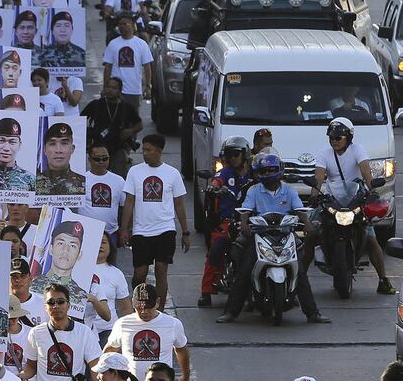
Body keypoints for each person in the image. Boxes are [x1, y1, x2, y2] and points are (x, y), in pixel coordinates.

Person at [216, 152, 331, 324]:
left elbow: (300, 210)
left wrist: (307, 224)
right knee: (245, 271)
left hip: (285, 234)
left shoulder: (289, 191)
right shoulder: (254, 191)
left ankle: (313, 313)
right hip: (259, 235)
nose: (269, 174)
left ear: (279, 171)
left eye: (272, 170)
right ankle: (231, 312)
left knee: (299, 271)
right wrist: (245, 225)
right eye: (265, 171)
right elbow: (245, 210)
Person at [309, 117, 397, 294]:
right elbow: (319, 177)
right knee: (311, 235)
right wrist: (314, 193)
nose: (334, 141)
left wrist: (372, 188)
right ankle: (297, 284)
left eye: (338, 138)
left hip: (355, 201)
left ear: (348, 137)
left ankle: (383, 280)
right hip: (331, 202)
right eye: (331, 138)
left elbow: (366, 174)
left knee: (371, 239)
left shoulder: (358, 150)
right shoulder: (324, 154)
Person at [119, 134, 188, 309]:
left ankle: (160, 310)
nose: (144, 153)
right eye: (143, 150)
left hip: (165, 229)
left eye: (148, 150)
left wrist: (185, 232)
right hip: (141, 231)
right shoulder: (134, 172)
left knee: (161, 270)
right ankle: (140, 307)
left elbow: (179, 205)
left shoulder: (172, 174)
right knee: (139, 274)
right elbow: (129, 202)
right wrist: (124, 229)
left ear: (159, 151)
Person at [197, 137, 252, 307]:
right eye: (230, 155)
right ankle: (206, 291)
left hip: (252, 221)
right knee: (216, 249)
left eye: (236, 154)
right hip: (227, 222)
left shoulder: (254, 173)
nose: (233, 158)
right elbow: (216, 180)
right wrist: (214, 187)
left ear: (244, 155)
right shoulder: (226, 172)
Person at [104, 284, 189, 381]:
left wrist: (186, 375)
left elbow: (181, 349)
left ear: (157, 302)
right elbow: (110, 349)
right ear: (133, 302)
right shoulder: (122, 324)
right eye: (139, 307)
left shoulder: (173, 324)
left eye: (148, 307)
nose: (144, 312)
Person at [18, 284, 102, 381]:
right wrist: (17, 377)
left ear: (68, 305)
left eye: (60, 302)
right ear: (45, 307)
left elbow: (95, 366)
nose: (56, 306)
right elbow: (31, 366)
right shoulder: (36, 333)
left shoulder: (84, 332)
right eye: (51, 302)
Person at [82, 78, 142, 178]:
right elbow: (80, 120)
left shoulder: (126, 107)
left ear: (119, 90)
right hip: (99, 147)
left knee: (119, 177)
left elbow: (139, 125)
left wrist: (130, 131)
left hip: (119, 147)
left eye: (114, 88)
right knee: (98, 177)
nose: (110, 90)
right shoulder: (96, 104)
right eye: (108, 87)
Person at [87, 233, 130, 348]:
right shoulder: (77, 269)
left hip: (109, 330)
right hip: (83, 329)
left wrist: (127, 333)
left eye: (104, 242)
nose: (100, 246)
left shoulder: (116, 273)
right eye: (98, 242)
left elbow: (125, 307)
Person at [103, 14, 152, 113]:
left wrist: (148, 86)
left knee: (132, 119)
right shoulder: (113, 44)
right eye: (120, 24)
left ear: (133, 25)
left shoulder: (142, 44)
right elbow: (107, 67)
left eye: (125, 24)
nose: (122, 26)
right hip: (116, 91)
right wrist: (105, 87)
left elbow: (147, 67)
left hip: (134, 90)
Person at [30, 221, 88, 303]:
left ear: (79, 254)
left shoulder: (81, 296)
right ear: (51, 249)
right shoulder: (31, 283)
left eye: (72, 246)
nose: (65, 250)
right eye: (61, 243)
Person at [80, 143, 127, 242]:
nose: (101, 162)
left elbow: (125, 208)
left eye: (105, 158)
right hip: (85, 233)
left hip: (111, 234)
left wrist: (124, 229)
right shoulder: (80, 180)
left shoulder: (119, 180)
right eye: (97, 159)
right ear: (89, 159)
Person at [36, 122, 85, 196]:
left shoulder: (83, 183)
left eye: (64, 143)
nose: (58, 150)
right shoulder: (32, 182)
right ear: (44, 150)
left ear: (72, 149)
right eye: (52, 144)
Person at [10, 257, 46, 325]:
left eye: (23, 276)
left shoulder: (44, 304)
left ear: (30, 279)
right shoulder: (1, 305)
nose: (18, 280)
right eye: (14, 277)